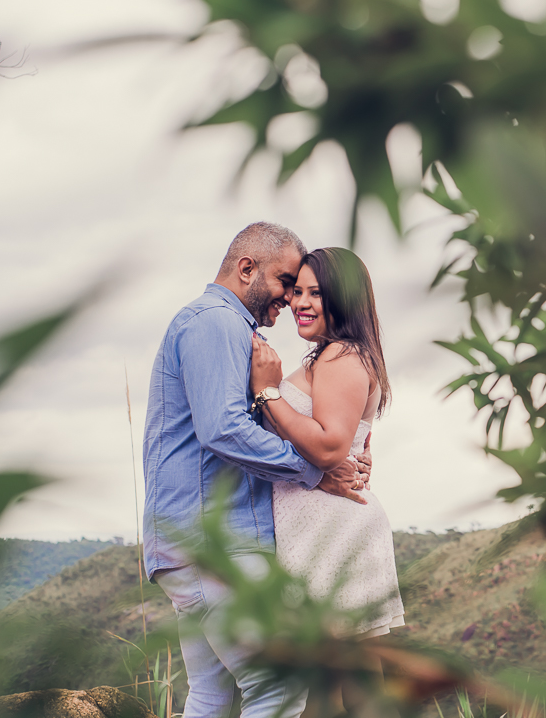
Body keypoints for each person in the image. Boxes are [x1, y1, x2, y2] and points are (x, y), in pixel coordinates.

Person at [142, 223, 370, 718]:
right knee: (278, 689)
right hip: (211, 546)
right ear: (247, 269)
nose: (290, 299)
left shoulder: (218, 325)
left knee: (212, 694)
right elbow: (222, 429)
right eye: (286, 282)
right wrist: (314, 472)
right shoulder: (216, 323)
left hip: (194, 544)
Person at [249, 247, 405, 643]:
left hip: (330, 526)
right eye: (297, 291)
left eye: (316, 293)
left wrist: (268, 392)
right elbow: (349, 437)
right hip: (322, 523)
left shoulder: (341, 354)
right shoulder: (337, 355)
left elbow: (329, 448)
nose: (300, 303)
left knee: (331, 684)